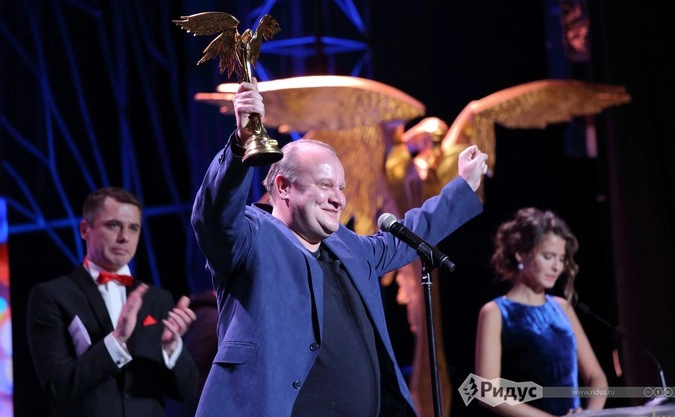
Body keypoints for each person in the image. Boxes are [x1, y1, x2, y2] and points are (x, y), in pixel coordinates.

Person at [190, 78, 489, 417]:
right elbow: (214, 214)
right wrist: (241, 143)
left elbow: (410, 234)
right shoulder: (250, 239)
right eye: (325, 185)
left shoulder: (348, 248)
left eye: (341, 188)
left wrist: (462, 186)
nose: (339, 199)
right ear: (283, 186)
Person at [26, 187, 199, 417]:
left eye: (133, 228)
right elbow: (59, 386)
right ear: (85, 230)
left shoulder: (157, 298)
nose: (124, 237)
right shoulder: (52, 296)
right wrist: (116, 340)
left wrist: (171, 348)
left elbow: (186, 392)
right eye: (114, 225)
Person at [474, 207, 608, 416]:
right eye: (548, 256)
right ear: (521, 254)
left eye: (561, 259)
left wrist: (590, 414)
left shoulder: (562, 308)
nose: (557, 267)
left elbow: (595, 377)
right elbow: (486, 391)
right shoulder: (495, 312)